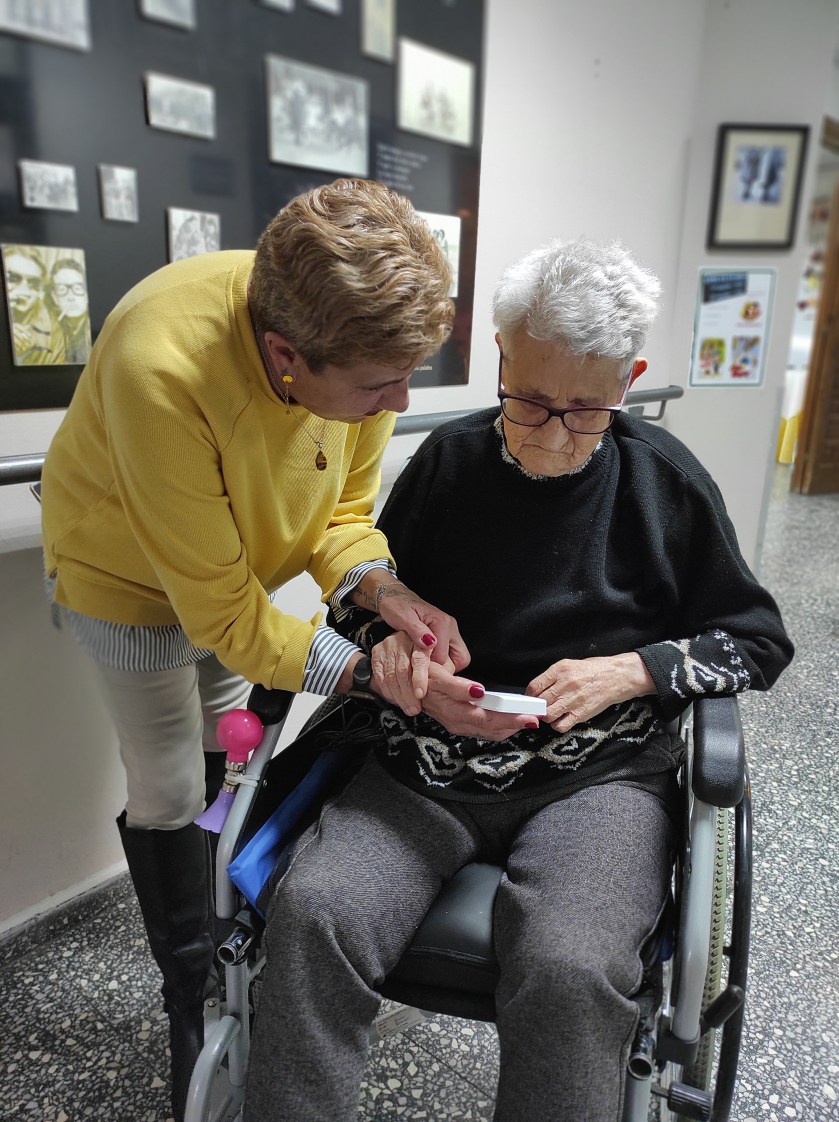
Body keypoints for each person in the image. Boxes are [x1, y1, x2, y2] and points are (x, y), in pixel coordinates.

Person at [244, 237, 794, 1122]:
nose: (551, 435)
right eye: (529, 402)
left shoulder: (663, 482)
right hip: (425, 765)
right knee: (314, 915)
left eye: (584, 410)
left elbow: (756, 642)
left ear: (628, 381)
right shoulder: (448, 462)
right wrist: (393, 656)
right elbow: (363, 605)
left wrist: (634, 670)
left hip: (598, 780)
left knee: (569, 967)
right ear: (501, 358)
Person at [40, 178, 471, 1122]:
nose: (401, 400)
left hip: (224, 573)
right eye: (380, 386)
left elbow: (344, 514)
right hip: (123, 579)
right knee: (167, 783)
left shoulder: (354, 340)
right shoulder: (162, 365)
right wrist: (372, 677)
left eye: (408, 375)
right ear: (284, 357)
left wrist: (387, 592)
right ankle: (187, 988)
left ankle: (223, 945)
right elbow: (230, 622)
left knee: (231, 754)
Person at [3, 245, 65, 365]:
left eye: (33, 283)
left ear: (41, 290)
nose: (24, 291)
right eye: (13, 278)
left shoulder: (53, 331)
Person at [49, 256, 92, 364]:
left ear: (86, 293)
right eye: (62, 289)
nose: (71, 297)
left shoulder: (98, 331)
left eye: (77, 288)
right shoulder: (49, 331)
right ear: (55, 297)